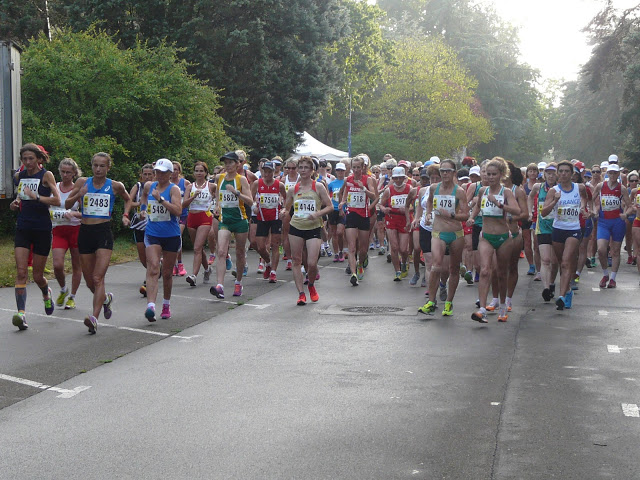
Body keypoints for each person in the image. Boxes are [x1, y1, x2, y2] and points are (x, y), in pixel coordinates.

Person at [65, 152, 131, 334]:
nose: (98, 169)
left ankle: (94, 318)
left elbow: (128, 199)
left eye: (102, 166)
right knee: (88, 281)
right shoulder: (82, 183)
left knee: (97, 277)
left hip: (103, 232)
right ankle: (105, 300)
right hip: (85, 232)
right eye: (95, 165)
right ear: (91, 166)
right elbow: (67, 205)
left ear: (108, 168)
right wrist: (79, 193)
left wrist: (125, 215)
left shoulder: (116, 186)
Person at [10, 143, 61, 330]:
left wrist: (37, 197)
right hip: (23, 227)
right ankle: (21, 315)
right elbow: (19, 198)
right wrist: (14, 204)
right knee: (21, 272)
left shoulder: (46, 175)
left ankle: (46, 293)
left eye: (31, 158)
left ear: (39, 159)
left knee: (38, 276)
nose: (28, 162)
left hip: (41, 229)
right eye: (25, 159)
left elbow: (57, 200)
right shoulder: (20, 176)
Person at [470, 157, 520, 323]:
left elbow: (517, 210)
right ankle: (482, 310)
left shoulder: (506, 192)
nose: (490, 177)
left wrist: (500, 205)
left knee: (501, 273)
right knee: (484, 271)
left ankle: (503, 305)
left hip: (503, 237)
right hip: (486, 236)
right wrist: (471, 217)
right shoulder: (483, 191)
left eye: (493, 174)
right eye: (487, 174)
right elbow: (477, 207)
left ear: (501, 175)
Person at [418, 159, 469, 316]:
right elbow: (429, 204)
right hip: (438, 232)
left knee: (453, 268)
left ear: (454, 172)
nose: (445, 174)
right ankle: (431, 301)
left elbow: (466, 215)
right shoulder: (434, 188)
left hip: (455, 233)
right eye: (442, 171)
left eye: (448, 171)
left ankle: (449, 303)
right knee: (436, 265)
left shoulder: (459, 191)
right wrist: (427, 214)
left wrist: (452, 214)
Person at [283, 156, 334, 305]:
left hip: (314, 227)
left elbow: (330, 206)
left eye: (306, 167)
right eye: (301, 167)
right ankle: (300, 293)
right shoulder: (293, 189)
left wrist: (317, 214)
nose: (303, 170)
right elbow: (287, 208)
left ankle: (311, 284)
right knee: (297, 261)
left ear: (312, 170)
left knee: (312, 263)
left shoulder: (318, 186)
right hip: (296, 227)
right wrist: (283, 212)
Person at [138, 159, 183, 321]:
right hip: (152, 233)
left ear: (170, 174)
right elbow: (143, 197)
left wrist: (161, 200)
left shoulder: (174, 189)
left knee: (167, 273)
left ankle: (166, 304)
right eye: (158, 172)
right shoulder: (150, 186)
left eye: (164, 172)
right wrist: (143, 210)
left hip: (171, 235)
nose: (160, 175)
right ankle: (151, 306)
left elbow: (178, 211)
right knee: (153, 268)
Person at [540, 160, 588, 310]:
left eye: (567, 171)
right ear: (557, 174)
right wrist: (554, 201)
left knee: (567, 262)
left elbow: (586, 197)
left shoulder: (579, 188)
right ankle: (567, 292)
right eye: (560, 171)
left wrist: (584, 208)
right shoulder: (553, 191)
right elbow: (543, 213)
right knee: (561, 263)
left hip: (574, 229)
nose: (563, 174)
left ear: (572, 174)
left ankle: (561, 296)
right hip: (558, 229)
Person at [210, 151, 253, 299]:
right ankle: (220, 286)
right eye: (225, 163)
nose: (227, 165)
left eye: (230, 162)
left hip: (240, 221)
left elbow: (250, 201)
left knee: (240, 253)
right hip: (225, 220)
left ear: (237, 164)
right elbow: (218, 196)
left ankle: (238, 282)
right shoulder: (219, 178)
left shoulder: (242, 180)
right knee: (221, 251)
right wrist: (217, 205)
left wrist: (237, 193)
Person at [339, 155, 378, 286]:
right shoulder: (348, 179)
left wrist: (363, 188)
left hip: (364, 216)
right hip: (351, 215)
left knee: (363, 249)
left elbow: (374, 196)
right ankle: (354, 273)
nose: (356, 170)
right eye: (354, 167)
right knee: (351, 247)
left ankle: (360, 263)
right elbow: (344, 194)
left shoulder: (368, 179)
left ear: (363, 168)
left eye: (358, 167)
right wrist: (342, 203)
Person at [592, 162, 631, 288]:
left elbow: (630, 206)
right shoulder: (600, 186)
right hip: (603, 221)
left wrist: (625, 214)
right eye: (610, 173)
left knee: (615, 251)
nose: (613, 175)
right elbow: (591, 200)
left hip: (617, 222)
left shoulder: (622, 188)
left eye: (615, 173)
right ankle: (605, 274)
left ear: (618, 174)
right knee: (601, 250)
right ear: (607, 174)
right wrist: (594, 210)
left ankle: (613, 278)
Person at [51, 158, 83, 310]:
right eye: (62, 172)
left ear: (74, 174)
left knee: (77, 265)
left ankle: (73, 297)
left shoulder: (78, 190)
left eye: (68, 172)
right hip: (58, 230)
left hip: (75, 230)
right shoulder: (55, 187)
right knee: (57, 265)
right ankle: (64, 289)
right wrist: (64, 213)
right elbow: (48, 210)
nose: (65, 175)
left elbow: (87, 213)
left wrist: (76, 215)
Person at [251, 161, 286, 283]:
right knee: (260, 247)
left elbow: (286, 199)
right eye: (265, 171)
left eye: (269, 171)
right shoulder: (257, 183)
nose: (267, 174)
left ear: (273, 172)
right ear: (262, 171)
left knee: (275, 245)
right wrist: (253, 206)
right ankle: (268, 263)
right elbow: (251, 198)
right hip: (261, 218)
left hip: (276, 218)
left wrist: (284, 209)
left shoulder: (279, 185)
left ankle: (273, 272)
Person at [182, 161, 216, 286]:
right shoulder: (190, 187)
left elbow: (219, 198)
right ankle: (207, 269)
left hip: (205, 217)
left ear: (206, 173)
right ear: (193, 173)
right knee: (198, 248)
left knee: (197, 248)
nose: (199, 173)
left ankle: (194, 275)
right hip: (192, 217)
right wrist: (193, 197)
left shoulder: (211, 186)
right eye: (197, 171)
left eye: (201, 171)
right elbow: (184, 204)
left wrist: (217, 208)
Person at [529, 163, 559, 303]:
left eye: (553, 173)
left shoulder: (561, 189)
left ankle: (552, 282)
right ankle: (546, 288)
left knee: (554, 261)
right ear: (544, 175)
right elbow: (530, 197)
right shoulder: (538, 187)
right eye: (548, 173)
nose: (551, 176)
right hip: (543, 227)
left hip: (559, 227)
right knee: (545, 259)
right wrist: (530, 211)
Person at [380, 167, 412, 280]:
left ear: (404, 178)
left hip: (405, 219)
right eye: (396, 178)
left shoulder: (410, 189)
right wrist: (384, 209)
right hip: (392, 218)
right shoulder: (389, 190)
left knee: (403, 249)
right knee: (394, 247)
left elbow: (416, 206)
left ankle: (404, 262)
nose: (398, 180)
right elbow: (381, 204)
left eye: (400, 178)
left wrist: (408, 209)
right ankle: (397, 271)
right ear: (392, 178)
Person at [127, 163, 154, 296]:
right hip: (139, 224)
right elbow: (128, 201)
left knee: (150, 256)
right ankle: (154, 269)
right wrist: (140, 204)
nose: (147, 176)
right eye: (145, 174)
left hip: (153, 225)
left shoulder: (158, 187)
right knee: (142, 257)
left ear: (154, 175)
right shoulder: (138, 187)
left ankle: (148, 281)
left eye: (150, 174)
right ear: (141, 175)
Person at [170, 161, 190, 276]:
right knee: (173, 239)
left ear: (179, 171)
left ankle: (180, 264)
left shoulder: (185, 183)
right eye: (172, 169)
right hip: (171, 216)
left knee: (178, 236)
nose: (174, 172)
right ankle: (174, 265)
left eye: (176, 169)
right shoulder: (166, 184)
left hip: (182, 214)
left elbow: (190, 197)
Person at [327, 162, 347, 262]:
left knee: (340, 232)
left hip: (342, 210)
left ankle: (341, 251)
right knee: (334, 233)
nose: (340, 172)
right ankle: (336, 253)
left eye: (342, 171)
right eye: (338, 170)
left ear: (344, 171)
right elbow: (327, 195)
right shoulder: (332, 184)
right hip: (333, 210)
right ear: (336, 171)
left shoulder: (347, 182)